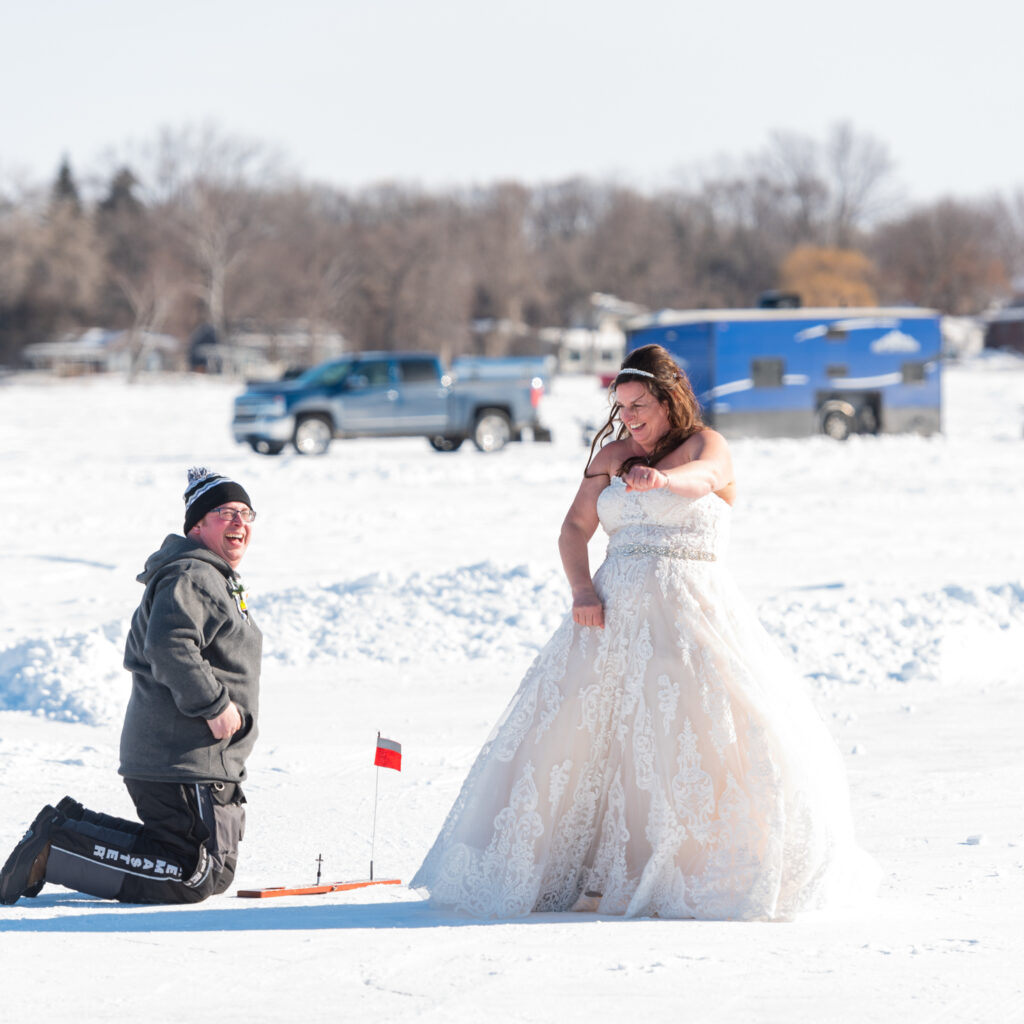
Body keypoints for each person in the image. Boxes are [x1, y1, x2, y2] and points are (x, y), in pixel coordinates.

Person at [411, 344, 877, 919]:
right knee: (576, 742)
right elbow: (573, 530)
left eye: (639, 405)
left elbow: (706, 478)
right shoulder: (611, 455)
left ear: (669, 398)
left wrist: (662, 479)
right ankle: (578, 870)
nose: (629, 416)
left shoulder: (707, 446)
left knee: (694, 738)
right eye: (622, 406)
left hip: (691, 618)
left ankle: (698, 866)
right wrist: (582, 590)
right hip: (608, 619)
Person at [1, 467, 262, 905]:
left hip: (193, 759)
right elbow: (168, 643)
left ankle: (67, 829)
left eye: (245, 513)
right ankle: (57, 848)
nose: (239, 522)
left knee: (210, 873)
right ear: (196, 524)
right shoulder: (193, 575)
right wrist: (215, 706)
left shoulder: (211, 577)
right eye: (224, 512)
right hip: (182, 758)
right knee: (193, 875)